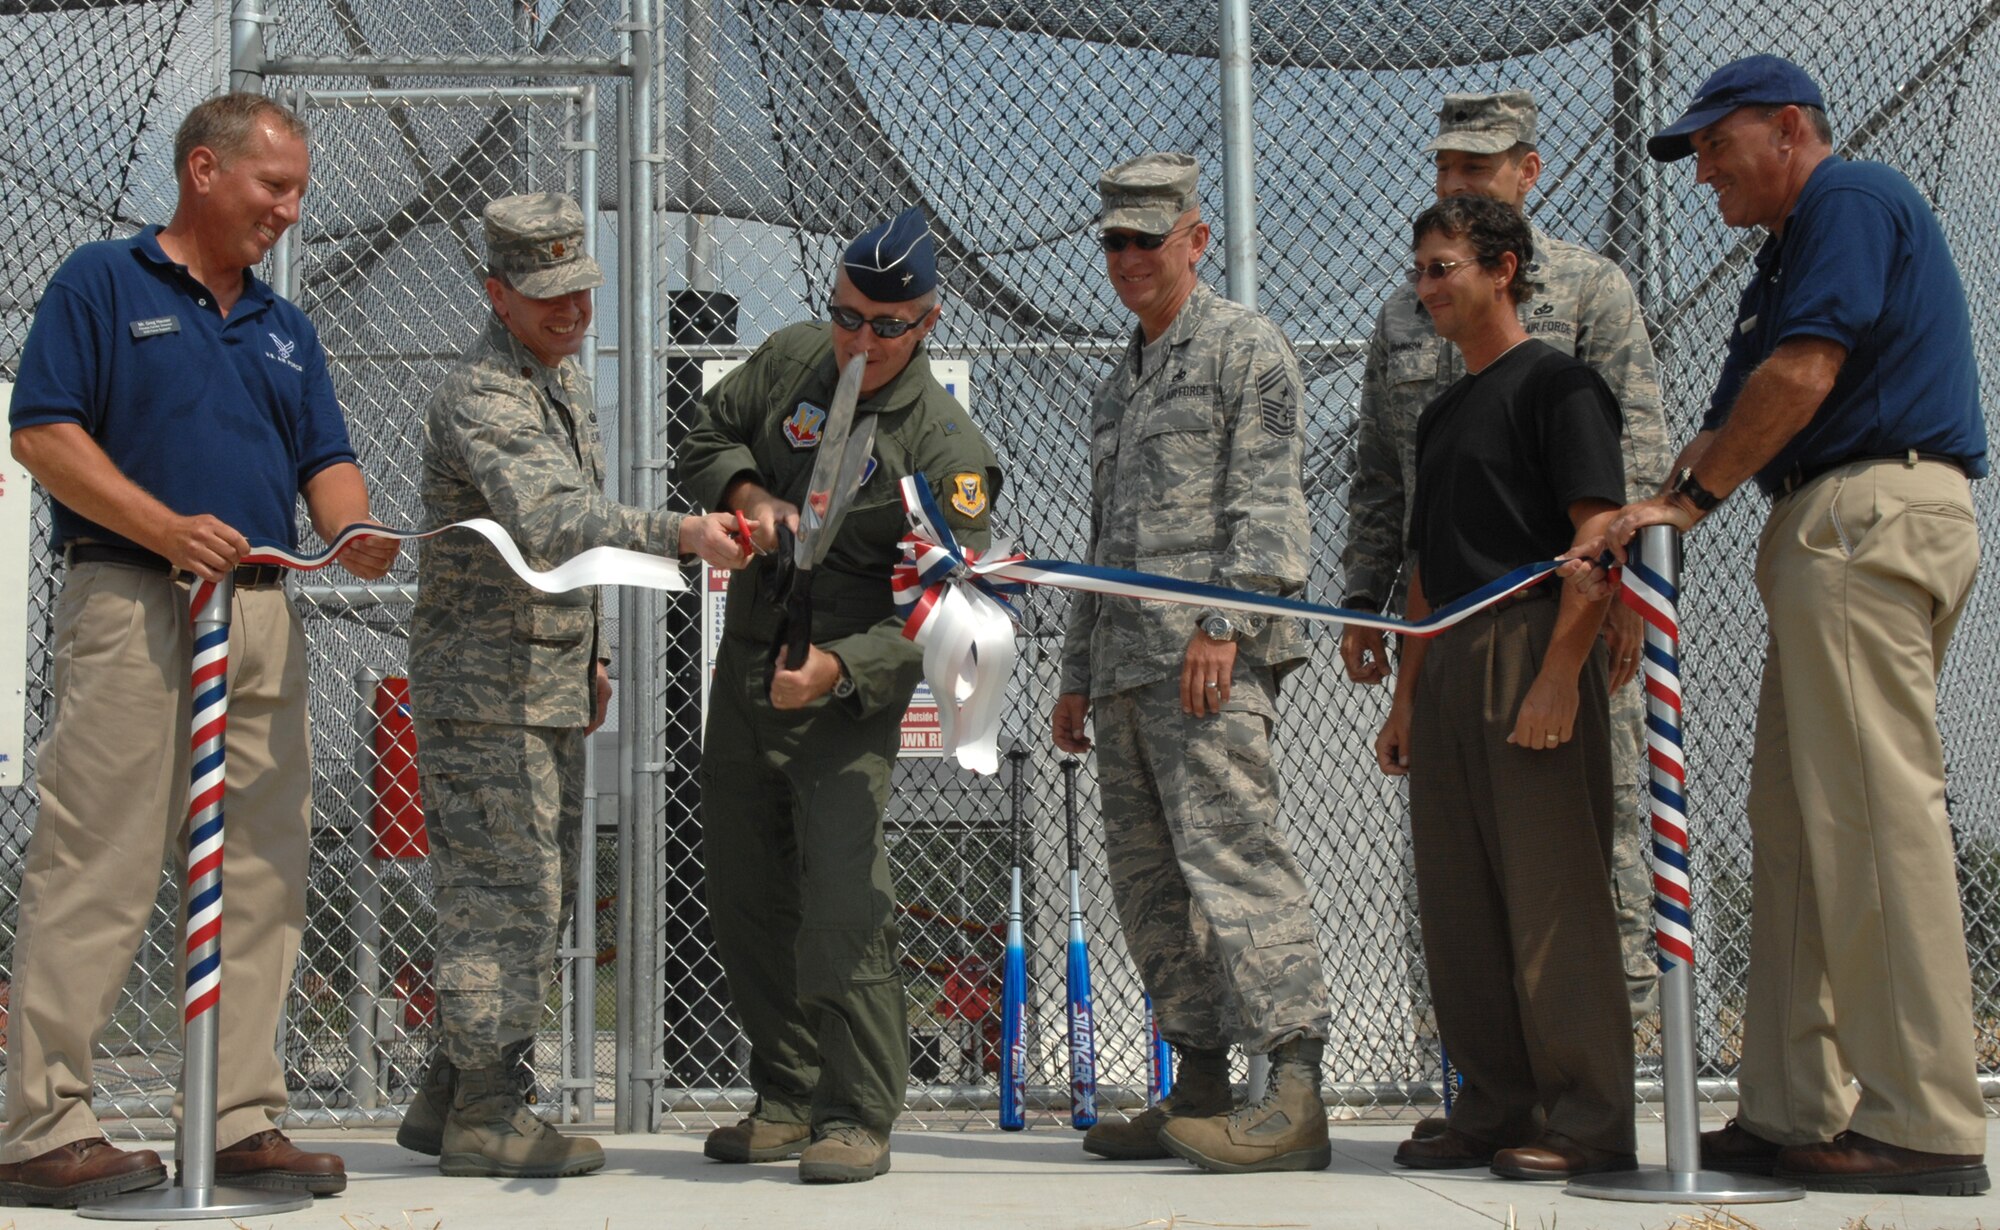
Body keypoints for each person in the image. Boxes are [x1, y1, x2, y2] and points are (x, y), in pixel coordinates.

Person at [1567, 54, 1990, 1197]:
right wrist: (1639, 523)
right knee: (1793, 822)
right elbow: (1720, 428)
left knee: (1867, 811)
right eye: (1692, 150)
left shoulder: (1845, 199)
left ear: (1790, 128)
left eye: (1716, 141)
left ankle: (1923, 1122)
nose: (1699, 167)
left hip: (1866, 508)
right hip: (1819, 527)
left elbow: (1804, 375)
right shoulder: (1778, 261)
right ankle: (1790, 1106)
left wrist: (1686, 507)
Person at [0, 92, 397, 1206]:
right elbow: (43, 432)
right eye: (274, 185)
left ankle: (236, 1117)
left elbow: (326, 459)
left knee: (264, 867)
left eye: (300, 190)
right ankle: (44, 1125)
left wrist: (352, 527)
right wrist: (161, 526)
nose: (289, 208)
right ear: (203, 170)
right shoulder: (102, 281)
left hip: (265, 615)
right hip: (136, 602)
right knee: (102, 856)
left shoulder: (284, 326)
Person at [397, 193, 750, 1177]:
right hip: (486, 691)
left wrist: (588, 658)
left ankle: (445, 1096)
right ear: (495, 294)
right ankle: (484, 1113)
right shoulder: (484, 394)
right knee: (504, 900)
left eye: (581, 293)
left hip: (539, 681)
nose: (572, 314)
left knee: (533, 897)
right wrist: (684, 533)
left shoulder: (558, 383)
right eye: (547, 297)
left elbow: (558, 560)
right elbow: (551, 521)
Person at [677, 208, 1002, 1184]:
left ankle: (856, 1111)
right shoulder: (787, 361)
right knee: (745, 896)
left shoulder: (947, 453)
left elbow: (948, 614)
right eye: (846, 317)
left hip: (841, 701)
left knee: (839, 903)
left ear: (929, 321)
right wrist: (742, 495)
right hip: (745, 675)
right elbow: (706, 435)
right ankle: (785, 1094)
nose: (860, 342)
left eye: (886, 326)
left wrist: (840, 668)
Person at [1340, 92, 1669, 1049]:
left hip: (1559, 610)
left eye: (1478, 168)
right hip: (1441, 619)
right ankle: (1481, 1063)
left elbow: (1633, 460)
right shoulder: (1406, 312)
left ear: (1529, 172)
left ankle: (1622, 1051)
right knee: (1462, 850)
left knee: (1583, 837)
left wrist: (1626, 599)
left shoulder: (1590, 290)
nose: (1458, 181)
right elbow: (1379, 472)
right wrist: (1370, 603)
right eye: (1446, 167)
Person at [1051, 152, 1332, 1175]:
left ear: (1193, 240)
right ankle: (1198, 1081)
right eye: (1113, 241)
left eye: (1146, 239)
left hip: (1205, 664)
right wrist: (1076, 667)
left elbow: (1267, 499)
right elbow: (1097, 537)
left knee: (1234, 861)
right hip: (1126, 670)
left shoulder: (1242, 350)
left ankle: (1294, 1088)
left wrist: (1225, 625)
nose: (1127, 258)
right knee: (1150, 885)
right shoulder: (1114, 384)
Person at [1375, 195, 1635, 1181]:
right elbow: (1424, 569)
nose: (1425, 287)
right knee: (1460, 901)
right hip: (1447, 657)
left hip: (1530, 642)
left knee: (1548, 892)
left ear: (1503, 269)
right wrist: (1407, 697)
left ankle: (1589, 1117)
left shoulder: (1558, 387)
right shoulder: (1442, 412)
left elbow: (1594, 541)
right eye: (1421, 270)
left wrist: (1559, 673)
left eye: (1443, 268)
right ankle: (1491, 1103)